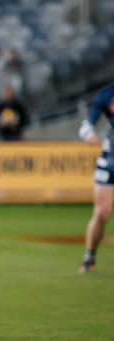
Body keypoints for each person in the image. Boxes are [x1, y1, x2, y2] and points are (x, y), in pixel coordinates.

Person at [78, 83, 114, 273]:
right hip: (110, 160)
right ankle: (89, 256)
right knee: (101, 213)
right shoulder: (107, 95)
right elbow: (86, 125)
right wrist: (89, 134)